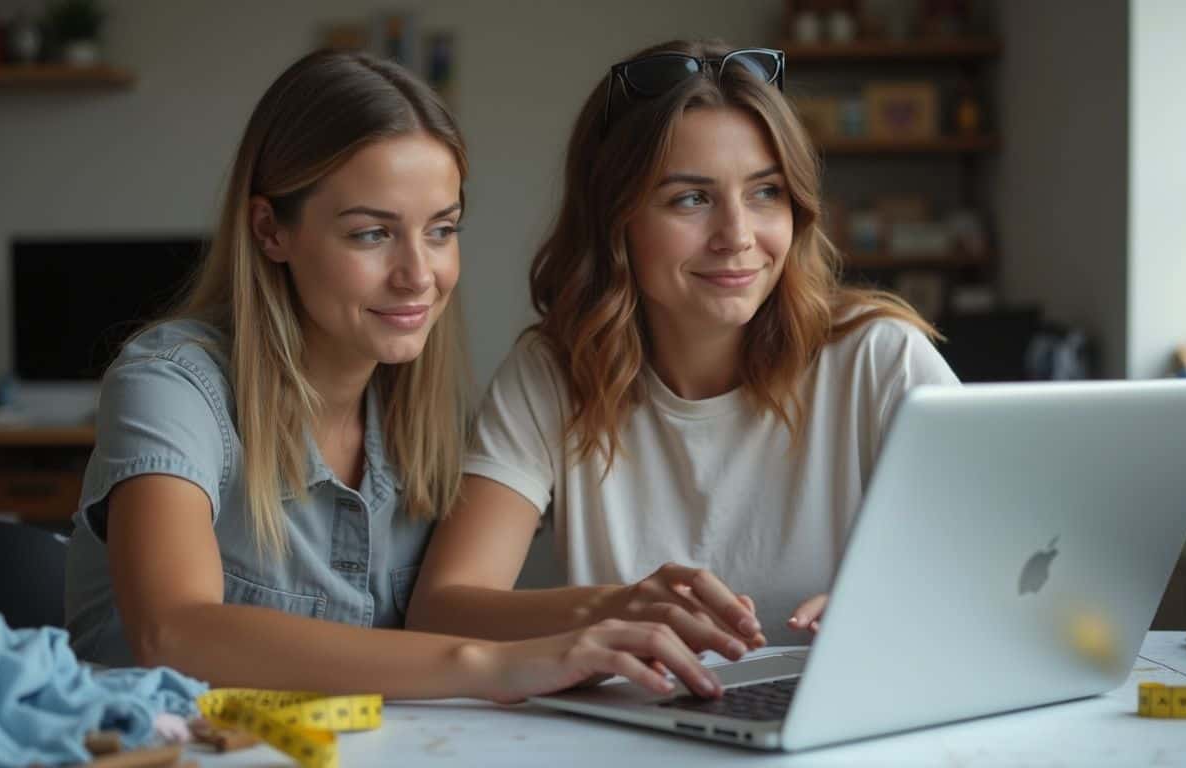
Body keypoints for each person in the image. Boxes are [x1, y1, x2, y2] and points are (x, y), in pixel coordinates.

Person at [64, 49, 724, 702]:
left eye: (441, 231)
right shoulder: (172, 384)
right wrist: (491, 665)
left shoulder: (426, 424)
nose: (419, 275)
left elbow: (453, 609)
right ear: (270, 230)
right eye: (371, 235)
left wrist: (615, 614)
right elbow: (172, 631)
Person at [406, 39, 960, 650]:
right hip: (641, 728)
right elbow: (443, 609)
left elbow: (1006, 568)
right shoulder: (553, 373)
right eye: (691, 198)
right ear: (615, 221)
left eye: (766, 192)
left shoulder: (881, 360)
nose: (737, 235)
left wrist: (898, 600)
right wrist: (616, 607)